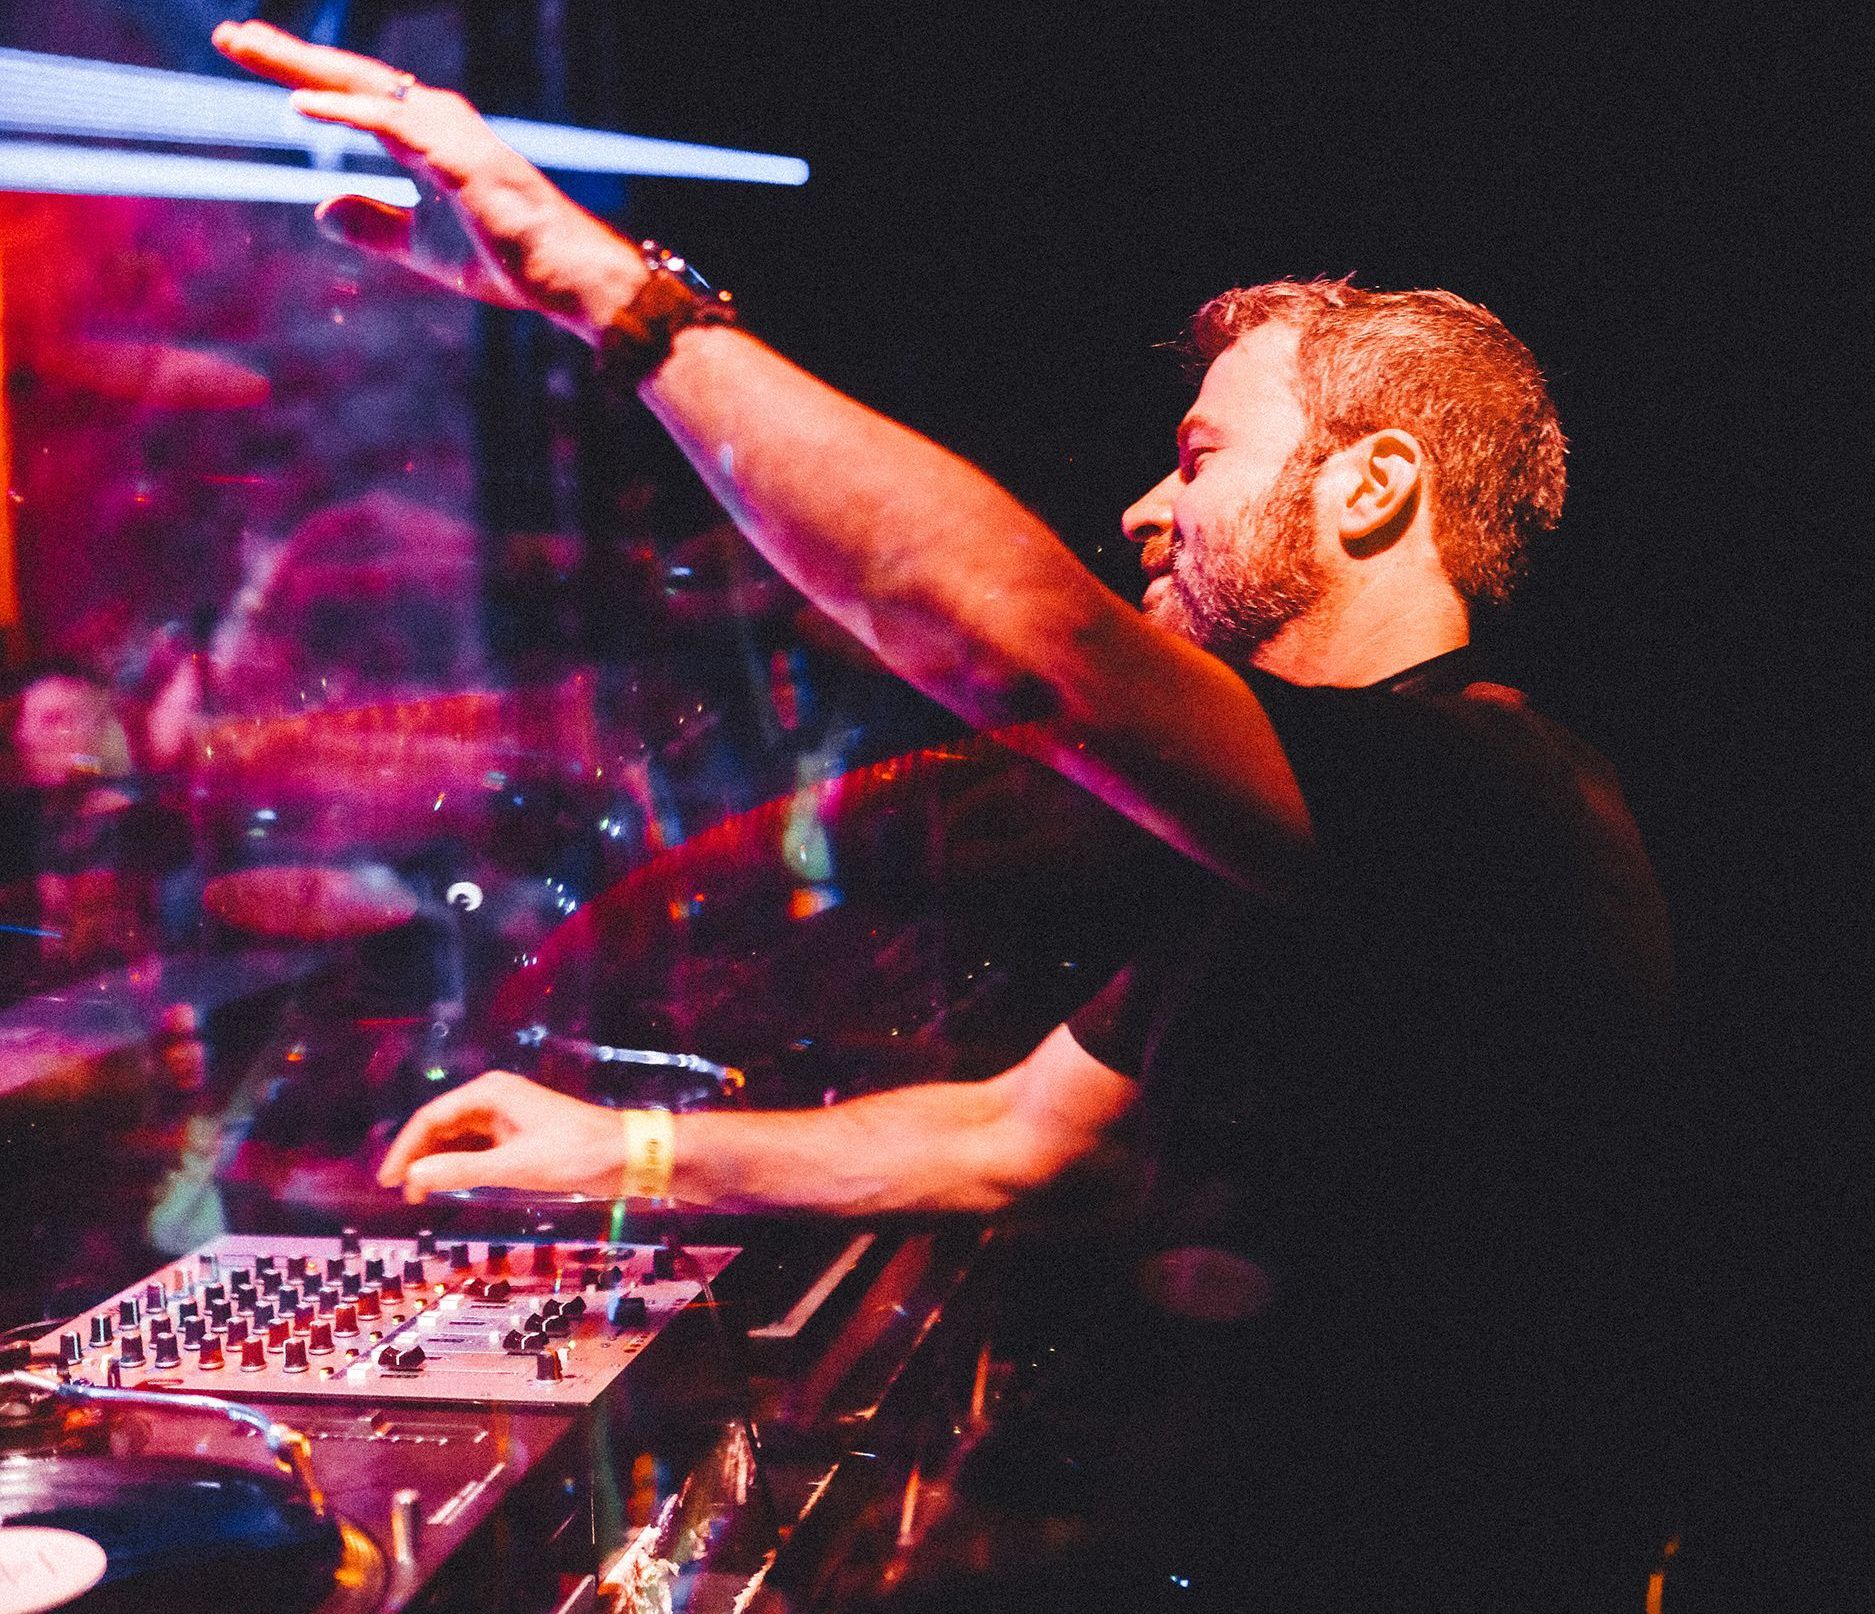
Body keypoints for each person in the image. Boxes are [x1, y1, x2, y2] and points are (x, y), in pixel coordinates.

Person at [212, 23, 1686, 1607]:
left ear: (1372, 487)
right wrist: (621, 1145)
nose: (1141, 510)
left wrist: (603, 286)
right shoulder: (1316, 839)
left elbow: (1021, 643)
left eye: (1197, 457)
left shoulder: (1494, 796)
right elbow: (1012, 1134)